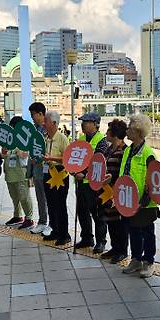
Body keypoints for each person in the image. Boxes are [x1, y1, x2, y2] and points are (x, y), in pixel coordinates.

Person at [120, 114, 159, 278]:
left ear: (137, 131)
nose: (127, 130)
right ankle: (136, 259)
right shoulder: (128, 150)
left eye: (129, 127)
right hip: (128, 200)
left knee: (147, 232)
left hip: (144, 203)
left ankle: (148, 261)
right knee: (133, 230)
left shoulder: (148, 153)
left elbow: (153, 181)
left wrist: (142, 202)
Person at [74, 112, 110, 253]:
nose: (83, 124)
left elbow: (100, 161)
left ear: (95, 124)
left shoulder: (102, 141)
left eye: (86, 122)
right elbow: (74, 158)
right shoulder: (81, 138)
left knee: (97, 213)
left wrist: (85, 173)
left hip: (94, 183)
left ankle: (101, 241)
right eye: (82, 121)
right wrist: (74, 171)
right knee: (82, 211)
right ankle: (87, 238)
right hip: (80, 182)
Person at [100, 119, 129, 264]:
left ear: (115, 133)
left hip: (118, 191)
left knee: (119, 222)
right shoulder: (109, 149)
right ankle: (114, 247)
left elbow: (124, 171)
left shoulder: (124, 150)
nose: (106, 133)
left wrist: (113, 178)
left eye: (109, 130)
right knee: (110, 219)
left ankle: (122, 250)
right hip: (106, 192)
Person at [42, 111, 71, 246]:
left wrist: (51, 158)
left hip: (60, 175)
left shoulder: (62, 138)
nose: (44, 123)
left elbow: (67, 159)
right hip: (48, 173)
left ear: (54, 123)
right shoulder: (46, 137)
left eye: (46, 121)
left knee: (60, 205)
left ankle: (64, 234)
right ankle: (55, 230)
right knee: (51, 204)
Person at [2, 116, 34, 229]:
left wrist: (16, 149)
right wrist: (4, 152)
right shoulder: (8, 139)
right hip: (9, 173)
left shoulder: (25, 138)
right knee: (14, 197)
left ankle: (29, 218)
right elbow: (3, 154)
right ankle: (17, 216)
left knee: (24, 197)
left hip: (21, 173)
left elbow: (25, 155)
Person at [28, 102, 51, 235]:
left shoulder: (49, 128)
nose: (32, 117)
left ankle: (52, 224)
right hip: (37, 168)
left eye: (33, 115)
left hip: (48, 169)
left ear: (41, 114)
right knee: (40, 196)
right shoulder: (33, 130)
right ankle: (42, 222)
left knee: (50, 197)